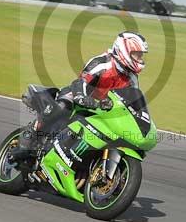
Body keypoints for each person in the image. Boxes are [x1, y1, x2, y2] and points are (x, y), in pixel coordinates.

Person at [11, 31, 149, 162]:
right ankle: (28, 138)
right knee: (62, 107)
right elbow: (81, 81)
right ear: (124, 50)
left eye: (141, 55)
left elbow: (132, 101)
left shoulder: (132, 78)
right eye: (136, 54)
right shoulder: (102, 63)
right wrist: (81, 97)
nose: (140, 58)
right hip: (78, 97)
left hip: (101, 109)